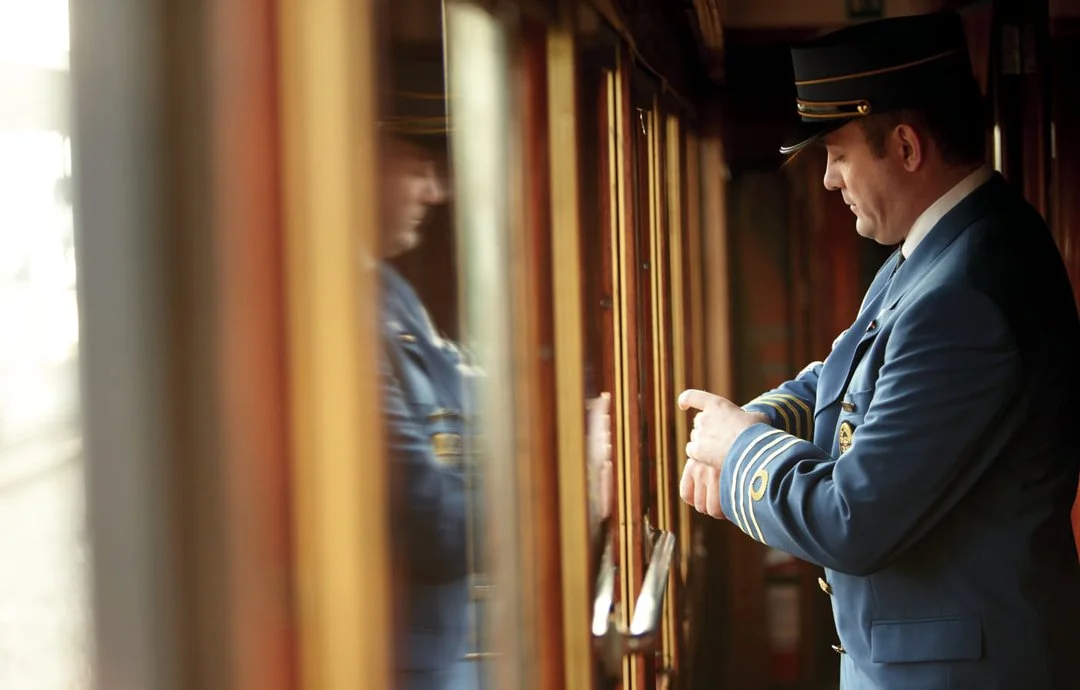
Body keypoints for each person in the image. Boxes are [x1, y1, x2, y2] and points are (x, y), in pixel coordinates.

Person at [676, 11, 1080, 689]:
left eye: (836, 154)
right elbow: (847, 375)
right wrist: (752, 421)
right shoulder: (937, 251)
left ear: (906, 146)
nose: (829, 179)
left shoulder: (966, 293)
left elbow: (851, 521)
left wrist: (740, 449)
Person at [376, 47, 482, 690]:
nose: (435, 192)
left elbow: (461, 395)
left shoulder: (389, 292)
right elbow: (435, 525)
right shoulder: (341, 314)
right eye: (419, 167)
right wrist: (566, 481)